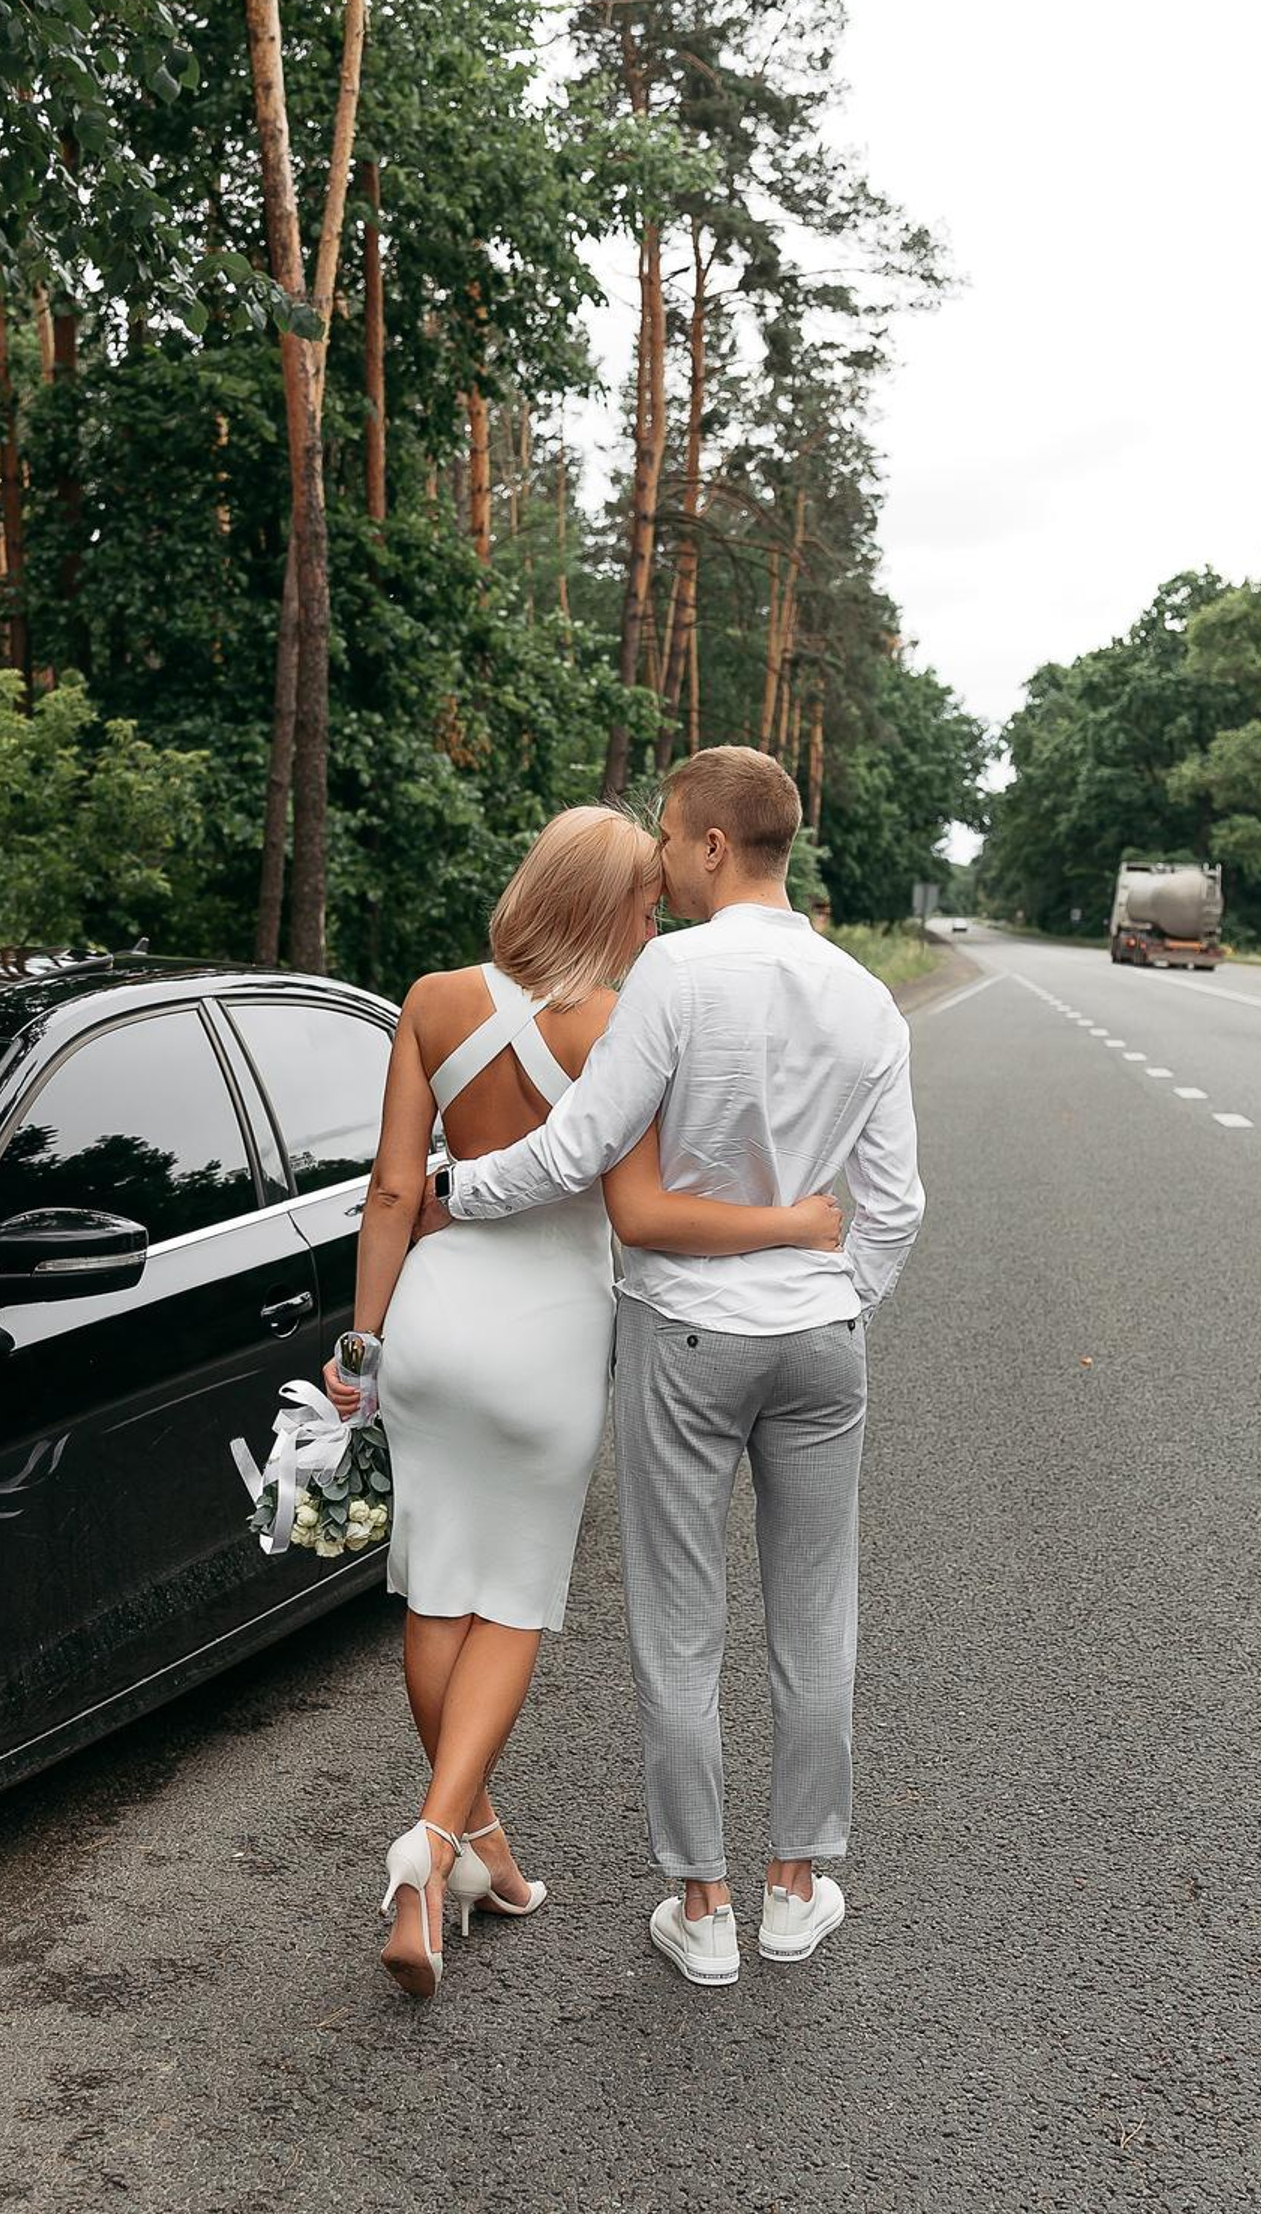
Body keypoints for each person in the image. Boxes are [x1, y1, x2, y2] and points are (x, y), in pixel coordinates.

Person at [331, 805, 844, 2001]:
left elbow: (396, 1192)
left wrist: (362, 1342)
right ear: (607, 905)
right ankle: (429, 1852)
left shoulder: (430, 1000)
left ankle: (479, 1856)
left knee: (433, 1583)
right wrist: (793, 1225)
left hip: (429, 1318)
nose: (656, 915)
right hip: (550, 1333)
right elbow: (637, 1210)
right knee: (510, 1602)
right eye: (644, 901)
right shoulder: (622, 1023)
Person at [444, 747, 923, 1988]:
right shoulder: (866, 997)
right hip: (820, 1337)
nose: (656, 854)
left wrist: (459, 1190)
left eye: (665, 833)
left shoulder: (673, 971)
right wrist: (831, 1295)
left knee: (679, 1623)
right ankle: (794, 1887)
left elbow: (578, 1148)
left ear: (712, 846)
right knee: (817, 1619)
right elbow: (896, 1205)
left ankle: (702, 1908)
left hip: (688, 1335)